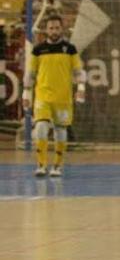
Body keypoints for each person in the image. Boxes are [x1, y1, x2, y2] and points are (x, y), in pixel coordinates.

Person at [22, 14, 85, 178]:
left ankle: (57, 166)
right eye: (51, 28)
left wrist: (81, 87)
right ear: (46, 30)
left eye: (57, 28)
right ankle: (41, 165)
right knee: (41, 127)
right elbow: (30, 73)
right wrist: (26, 93)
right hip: (42, 96)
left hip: (63, 98)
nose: (54, 31)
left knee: (60, 130)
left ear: (61, 29)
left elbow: (78, 71)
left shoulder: (70, 49)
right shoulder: (38, 50)